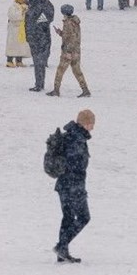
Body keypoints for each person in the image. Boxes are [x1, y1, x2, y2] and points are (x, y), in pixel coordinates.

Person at [53, 108, 95, 264]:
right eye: (91, 123)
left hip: (64, 185)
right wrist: (77, 185)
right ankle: (61, 246)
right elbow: (74, 163)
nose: (93, 127)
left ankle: (62, 252)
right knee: (84, 217)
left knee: (69, 217)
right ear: (85, 123)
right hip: (72, 186)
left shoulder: (71, 135)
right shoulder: (76, 139)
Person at [47, 4, 91, 98]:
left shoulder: (68, 23)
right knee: (77, 71)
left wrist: (68, 51)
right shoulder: (75, 22)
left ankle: (56, 90)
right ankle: (85, 90)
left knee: (60, 70)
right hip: (76, 51)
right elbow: (71, 36)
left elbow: (71, 38)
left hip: (68, 51)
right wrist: (60, 33)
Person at [24, 0, 55, 92]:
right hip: (38, 36)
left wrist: (39, 24)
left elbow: (48, 15)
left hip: (38, 37)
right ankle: (39, 83)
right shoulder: (41, 1)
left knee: (38, 62)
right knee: (38, 62)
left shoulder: (38, 3)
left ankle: (39, 84)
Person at [6, 0, 31, 67]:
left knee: (21, 45)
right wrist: (22, 12)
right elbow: (13, 16)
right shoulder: (13, 7)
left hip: (22, 29)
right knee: (12, 45)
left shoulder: (26, 7)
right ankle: (9, 60)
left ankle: (19, 60)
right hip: (14, 29)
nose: (22, 0)